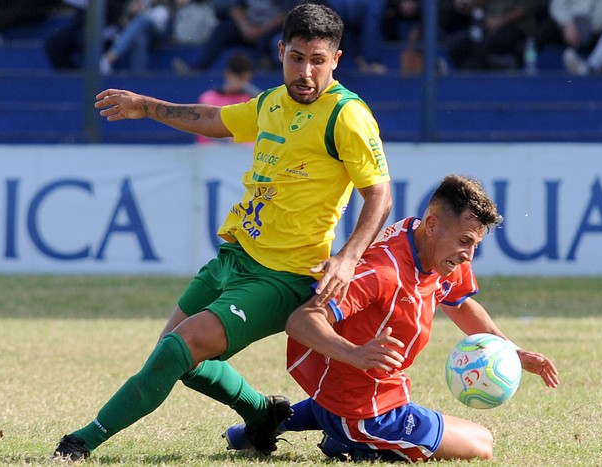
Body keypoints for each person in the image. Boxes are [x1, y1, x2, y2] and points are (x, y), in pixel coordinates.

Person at [53, 2, 392, 461]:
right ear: (280, 51)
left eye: (317, 60)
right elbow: (216, 121)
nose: (306, 72)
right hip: (234, 258)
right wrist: (147, 107)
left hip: (282, 276)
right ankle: (262, 414)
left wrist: (348, 257)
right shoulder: (273, 101)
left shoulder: (347, 116)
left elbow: (380, 196)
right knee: (172, 360)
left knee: (178, 351)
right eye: (297, 57)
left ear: (336, 59)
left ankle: (80, 441)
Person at [224, 174, 560, 462]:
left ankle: (272, 422)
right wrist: (353, 353)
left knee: (347, 404)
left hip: (353, 393)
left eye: (475, 245)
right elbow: (301, 321)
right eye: (464, 241)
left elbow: (459, 303)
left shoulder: (432, 249)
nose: (468, 255)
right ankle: (353, 443)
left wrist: (511, 352)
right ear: (432, 224)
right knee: (482, 443)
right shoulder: (384, 272)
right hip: (365, 412)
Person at [173, 0, 293, 73]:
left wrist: (259, 31)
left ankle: (268, 72)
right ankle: (198, 69)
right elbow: (235, 8)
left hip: (273, 28)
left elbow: (286, 15)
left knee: (273, 40)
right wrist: (244, 26)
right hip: (249, 26)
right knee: (222, 30)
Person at [445, 0, 535, 71]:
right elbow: (478, 5)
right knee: (457, 47)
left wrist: (500, 21)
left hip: (515, 28)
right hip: (488, 27)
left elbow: (524, 9)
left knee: (482, 48)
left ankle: (465, 76)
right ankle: (497, 67)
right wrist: (466, 4)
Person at [196, 51, 261, 143]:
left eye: (245, 80)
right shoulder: (208, 98)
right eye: (239, 79)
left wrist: (246, 87)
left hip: (243, 152)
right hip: (212, 151)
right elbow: (208, 129)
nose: (241, 83)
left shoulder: (250, 99)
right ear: (227, 74)